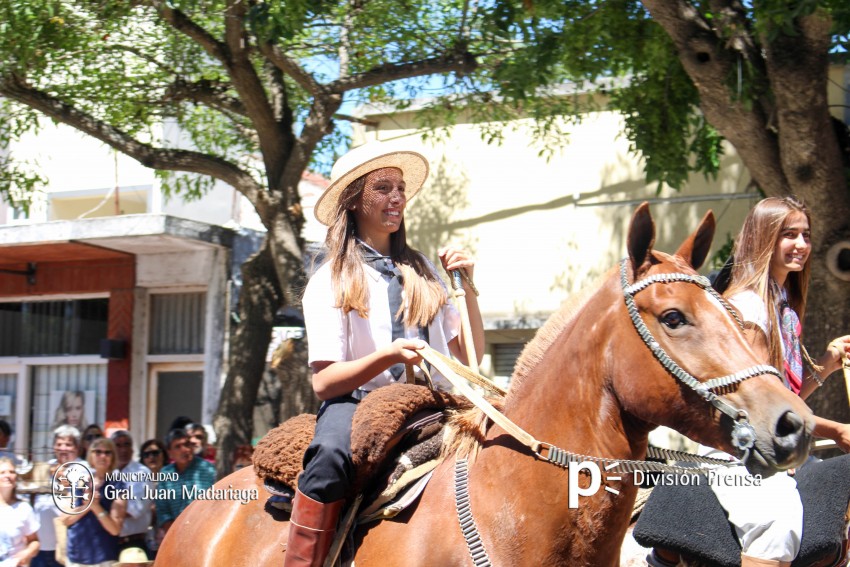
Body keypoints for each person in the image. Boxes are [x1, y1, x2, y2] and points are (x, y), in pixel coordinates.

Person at [285, 141, 484, 567]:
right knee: (330, 459)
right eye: (382, 188)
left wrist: (467, 287)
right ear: (354, 199)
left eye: (400, 189)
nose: (396, 197)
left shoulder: (426, 270)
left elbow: (470, 358)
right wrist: (389, 356)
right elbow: (323, 382)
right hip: (358, 404)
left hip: (434, 399)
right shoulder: (331, 278)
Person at [652, 196, 850, 567]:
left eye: (806, 235)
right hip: (740, 453)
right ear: (764, 239)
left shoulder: (782, 305)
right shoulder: (750, 307)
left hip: (775, 448)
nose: (802, 245)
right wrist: (836, 430)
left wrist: (827, 362)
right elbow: (757, 409)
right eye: (788, 234)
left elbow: (783, 397)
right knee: (778, 528)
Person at [63, 437, 126, 567]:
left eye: (107, 452)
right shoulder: (79, 482)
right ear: (91, 455)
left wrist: (96, 506)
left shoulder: (118, 485)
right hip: (77, 558)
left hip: (104, 558)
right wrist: (87, 505)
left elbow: (115, 529)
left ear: (113, 457)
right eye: (98, 452)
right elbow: (65, 519)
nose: (102, 456)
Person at [31, 425, 81, 567]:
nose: (63, 448)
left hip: (66, 549)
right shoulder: (45, 467)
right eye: (59, 444)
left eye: (68, 444)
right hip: (40, 548)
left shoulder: (82, 468)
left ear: (77, 448)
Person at [154, 428, 215, 539]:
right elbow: (162, 510)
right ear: (170, 453)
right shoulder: (165, 473)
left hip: (204, 535)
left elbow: (215, 505)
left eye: (187, 444)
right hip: (175, 537)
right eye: (178, 446)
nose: (185, 449)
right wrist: (176, 535)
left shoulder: (208, 470)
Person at [110, 431, 152, 556]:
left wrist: (102, 511)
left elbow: (134, 510)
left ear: (132, 449)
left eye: (126, 445)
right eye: (118, 445)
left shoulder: (142, 472)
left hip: (133, 544)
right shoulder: (106, 472)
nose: (123, 450)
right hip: (108, 543)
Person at [0, 455, 40, 566]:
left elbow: (35, 542)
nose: (7, 475)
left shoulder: (23, 508)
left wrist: (27, 553)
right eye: (2, 472)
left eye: (11, 472)